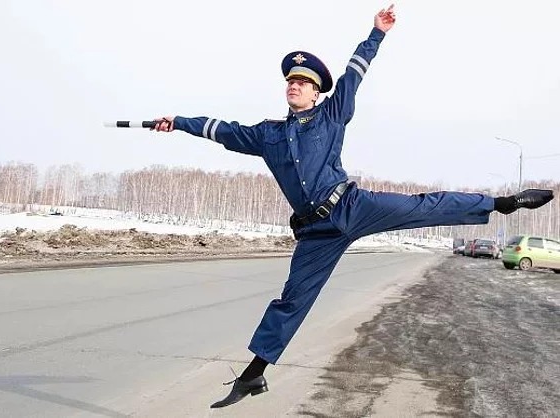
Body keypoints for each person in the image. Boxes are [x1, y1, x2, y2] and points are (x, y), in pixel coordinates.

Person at [150, 4, 554, 408]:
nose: (295, 86)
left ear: (316, 92)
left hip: (351, 206)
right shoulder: (266, 135)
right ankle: (253, 374)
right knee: (293, 300)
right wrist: (178, 122)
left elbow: (355, 72)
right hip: (316, 233)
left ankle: (501, 203)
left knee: (422, 206)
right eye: (291, 81)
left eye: (303, 82)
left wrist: (377, 33)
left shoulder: (332, 113)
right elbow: (220, 130)